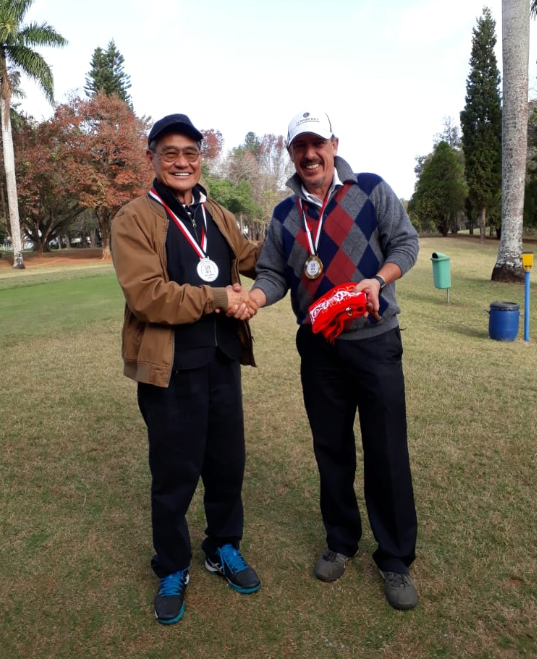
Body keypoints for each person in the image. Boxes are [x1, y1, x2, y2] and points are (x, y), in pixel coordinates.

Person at [249, 110, 419, 610]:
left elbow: (406, 244)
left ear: (333, 144)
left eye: (316, 143)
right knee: (331, 449)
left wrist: (380, 279)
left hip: (376, 340)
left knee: (387, 449)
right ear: (290, 153)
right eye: (299, 146)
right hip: (319, 349)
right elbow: (273, 274)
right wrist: (256, 298)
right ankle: (341, 540)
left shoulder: (370, 189)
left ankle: (394, 559)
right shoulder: (284, 216)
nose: (309, 154)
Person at [111, 113, 261, 625]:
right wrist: (220, 297)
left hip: (221, 361)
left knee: (227, 466)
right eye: (170, 152)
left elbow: (249, 257)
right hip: (169, 370)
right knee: (174, 476)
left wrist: (295, 244)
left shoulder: (214, 212)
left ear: (201, 158)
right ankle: (172, 565)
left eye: (190, 153)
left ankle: (222, 546)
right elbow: (148, 296)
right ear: (152, 157)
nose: (181, 161)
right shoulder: (134, 217)